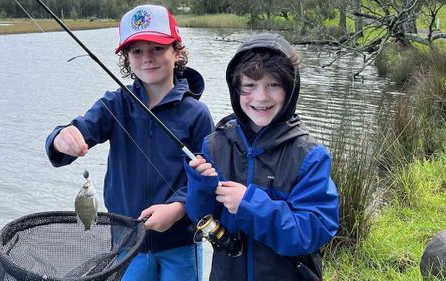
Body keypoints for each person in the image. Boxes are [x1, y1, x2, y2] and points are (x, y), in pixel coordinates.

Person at [45, 5, 214, 281]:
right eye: (137, 51)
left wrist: (177, 208)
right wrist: (60, 139)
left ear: (177, 51)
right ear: (127, 58)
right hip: (126, 243)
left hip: (181, 244)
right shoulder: (115, 104)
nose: (147, 58)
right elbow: (77, 131)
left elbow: (205, 178)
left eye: (157, 48)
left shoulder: (197, 114)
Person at [184, 33, 339, 281]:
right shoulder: (214, 144)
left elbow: (312, 232)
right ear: (236, 89)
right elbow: (199, 216)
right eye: (250, 86)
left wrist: (249, 205)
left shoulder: (310, 156)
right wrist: (200, 186)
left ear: (290, 89)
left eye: (273, 85)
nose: (261, 97)